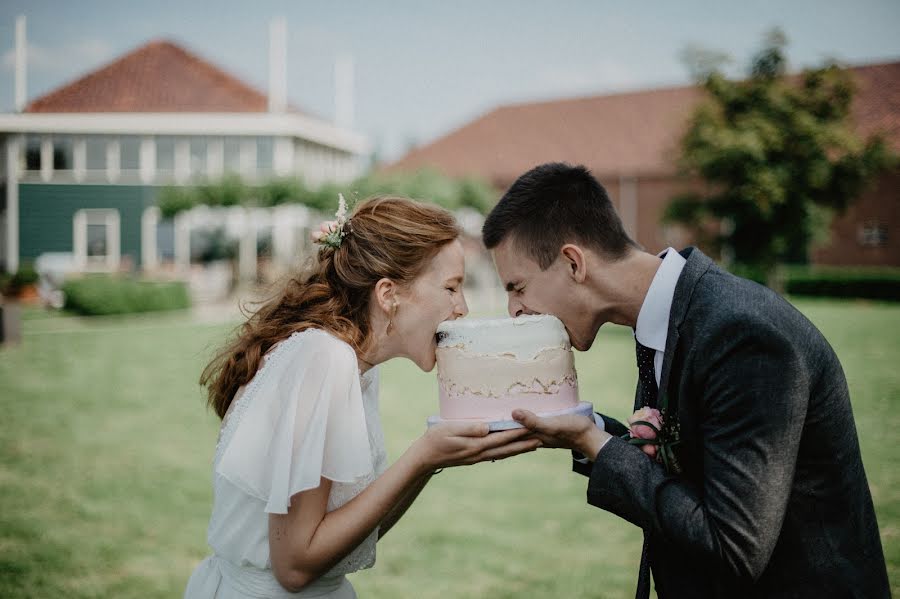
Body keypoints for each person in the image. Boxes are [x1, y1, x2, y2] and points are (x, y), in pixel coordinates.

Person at [481, 163, 889, 598]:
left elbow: (732, 548)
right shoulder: (669, 317)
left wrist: (595, 445)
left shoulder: (742, 335)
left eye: (517, 287)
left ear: (572, 262)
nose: (514, 310)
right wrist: (585, 429)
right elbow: (695, 459)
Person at [185, 196, 540, 598]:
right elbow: (295, 566)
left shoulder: (354, 367)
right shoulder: (326, 360)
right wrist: (422, 456)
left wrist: (430, 462)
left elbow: (345, 535)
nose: (462, 308)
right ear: (389, 293)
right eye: (451, 287)